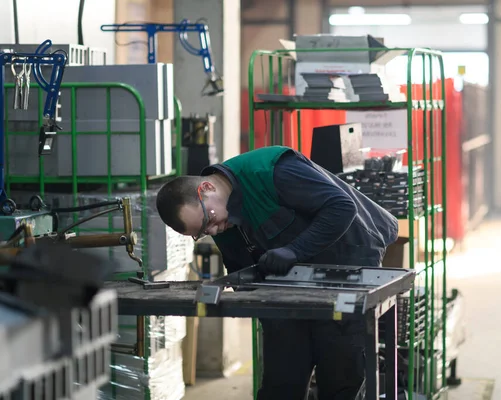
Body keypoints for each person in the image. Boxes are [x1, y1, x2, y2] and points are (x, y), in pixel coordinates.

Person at [156, 145, 399, 400]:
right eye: (203, 232)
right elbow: (240, 267)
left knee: (339, 376)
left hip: (347, 261)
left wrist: (294, 251)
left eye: (209, 221)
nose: (214, 231)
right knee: (281, 381)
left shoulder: (273, 172)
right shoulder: (221, 216)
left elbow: (341, 207)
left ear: (206, 189)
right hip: (290, 284)